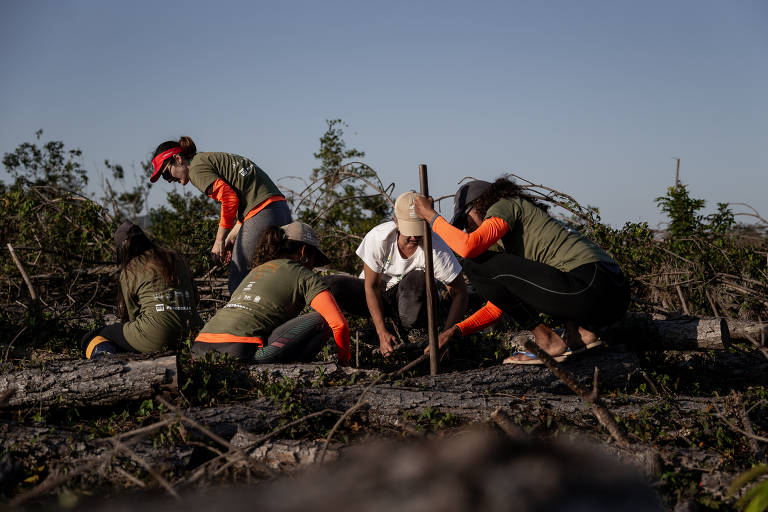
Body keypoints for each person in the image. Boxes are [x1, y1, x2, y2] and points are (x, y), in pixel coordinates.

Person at [413, 178, 630, 364]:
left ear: (479, 205)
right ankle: (581, 334)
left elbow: (468, 246)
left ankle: (547, 340)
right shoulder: (516, 242)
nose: (466, 228)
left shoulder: (505, 205)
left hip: (591, 283)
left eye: (465, 220)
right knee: (550, 267)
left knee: (474, 263)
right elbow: (496, 307)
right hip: (615, 294)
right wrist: (454, 331)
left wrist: (431, 216)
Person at [326, 191, 468, 357]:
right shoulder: (379, 238)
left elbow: (460, 292)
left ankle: (411, 331)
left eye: (419, 230)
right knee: (330, 285)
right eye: (410, 230)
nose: (415, 237)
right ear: (396, 223)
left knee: (418, 278)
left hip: (411, 302)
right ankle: (331, 336)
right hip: (378, 295)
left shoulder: (435, 248)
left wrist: (446, 335)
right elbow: (371, 286)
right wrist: (382, 332)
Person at [193, 221, 351, 364]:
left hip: (199, 348)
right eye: (314, 260)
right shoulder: (303, 274)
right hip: (240, 351)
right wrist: (346, 362)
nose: (313, 267)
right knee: (322, 320)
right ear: (304, 253)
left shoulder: (255, 272)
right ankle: (296, 367)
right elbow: (338, 324)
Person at [149, 136, 292, 294]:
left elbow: (230, 199)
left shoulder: (195, 169)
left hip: (263, 211)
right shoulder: (205, 159)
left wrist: (219, 241)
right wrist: (231, 236)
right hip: (278, 208)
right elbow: (248, 200)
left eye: (166, 174)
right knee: (273, 277)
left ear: (178, 159)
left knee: (239, 281)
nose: (169, 180)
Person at [80, 222, 202, 359]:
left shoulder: (130, 270)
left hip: (156, 335)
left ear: (122, 250)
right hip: (195, 333)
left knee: (94, 336)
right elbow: (196, 299)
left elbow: (132, 316)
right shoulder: (176, 257)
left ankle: (107, 360)